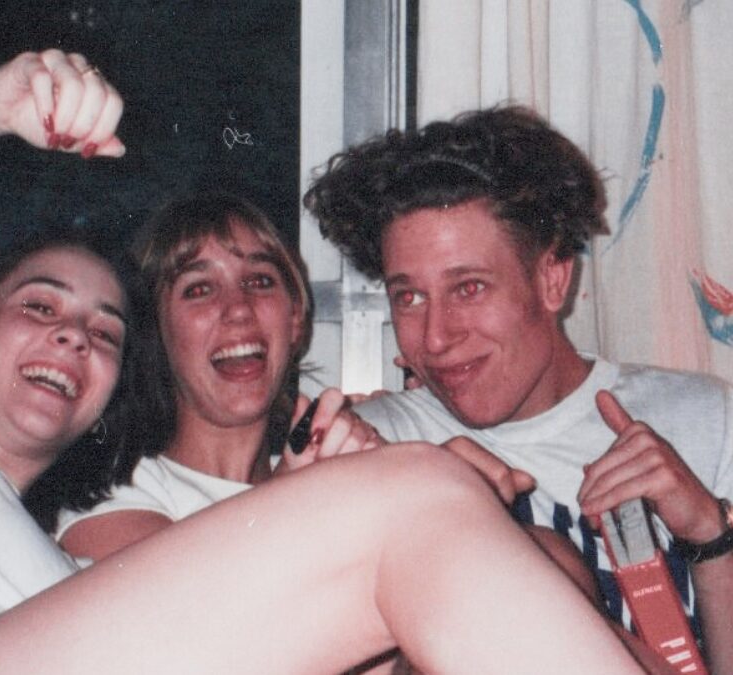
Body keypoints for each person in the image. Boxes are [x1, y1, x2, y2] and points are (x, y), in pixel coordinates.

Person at [0, 50, 646, 674]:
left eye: (107, 329)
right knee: (415, 493)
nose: (77, 335)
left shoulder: (58, 575)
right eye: (40, 306)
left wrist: (307, 502)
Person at [305, 105, 733, 672]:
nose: (435, 338)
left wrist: (710, 539)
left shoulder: (705, 419)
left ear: (552, 279)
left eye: (469, 288)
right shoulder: (379, 447)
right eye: (408, 297)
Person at [44, 191, 379, 561]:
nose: (238, 309)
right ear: (155, 332)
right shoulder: (109, 499)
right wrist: (291, 494)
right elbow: (196, 609)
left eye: (259, 281)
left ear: (295, 318)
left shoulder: (326, 471)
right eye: (199, 289)